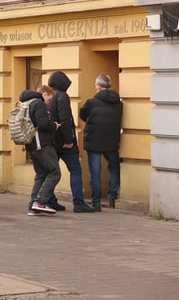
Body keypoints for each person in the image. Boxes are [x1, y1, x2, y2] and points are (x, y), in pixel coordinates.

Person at [48, 71, 94, 213]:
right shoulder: (62, 96)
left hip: (52, 141)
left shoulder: (50, 97)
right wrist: (69, 140)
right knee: (75, 170)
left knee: (50, 172)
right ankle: (78, 203)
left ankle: (50, 200)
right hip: (64, 142)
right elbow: (65, 119)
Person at [79, 74, 123, 210]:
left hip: (94, 140)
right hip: (111, 140)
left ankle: (96, 202)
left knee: (95, 171)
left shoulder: (91, 102)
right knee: (114, 167)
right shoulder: (119, 103)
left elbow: (83, 115)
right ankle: (112, 197)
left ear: (98, 86)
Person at [24, 85, 62, 215]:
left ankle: (32, 206)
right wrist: (54, 126)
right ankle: (40, 202)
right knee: (54, 172)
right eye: (49, 99)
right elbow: (43, 124)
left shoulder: (27, 103)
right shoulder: (38, 103)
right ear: (44, 94)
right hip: (42, 144)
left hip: (31, 145)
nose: (49, 103)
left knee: (40, 175)